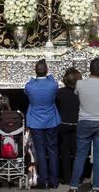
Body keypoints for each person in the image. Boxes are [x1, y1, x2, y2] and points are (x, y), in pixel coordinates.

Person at [69, 57, 99, 192]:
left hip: (85, 121)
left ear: (89, 69)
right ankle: (96, 186)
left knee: (81, 154)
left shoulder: (80, 84)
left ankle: (74, 185)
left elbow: (77, 95)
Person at [25, 58, 60, 189]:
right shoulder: (52, 84)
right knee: (53, 151)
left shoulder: (30, 85)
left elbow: (29, 84)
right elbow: (52, 79)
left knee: (40, 151)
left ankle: (44, 180)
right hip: (51, 121)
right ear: (47, 71)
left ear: (35, 72)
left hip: (36, 121)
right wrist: (47, 74)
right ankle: (54, 180)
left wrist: (35, 78)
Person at [56, 67, 81, 185]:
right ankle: (77, 177)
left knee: (65, 152)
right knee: (77, 153)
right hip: (77, 124)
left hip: (64, 124)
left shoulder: (60, 92)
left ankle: (67, 177)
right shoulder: (80, 92)